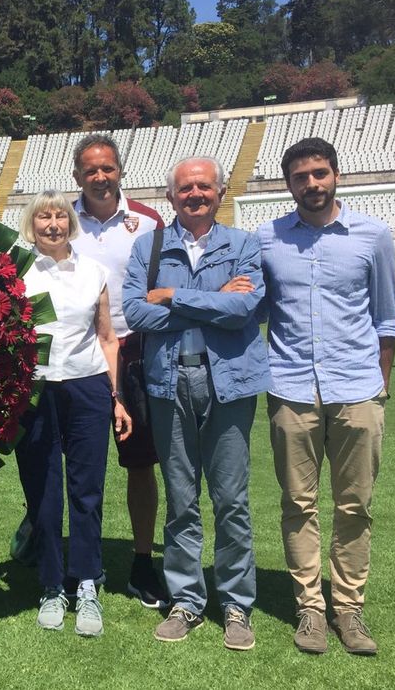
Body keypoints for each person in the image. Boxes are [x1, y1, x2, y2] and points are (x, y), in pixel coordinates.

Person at [258, 137, 395, 656]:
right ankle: (310, 610)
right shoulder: (267, 239)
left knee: (355, 504)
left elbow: (386, 319)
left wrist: (381, 384)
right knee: (298, 503)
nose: (312, 184)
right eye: (301, 177)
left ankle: (349, 608)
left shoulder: (373, 236)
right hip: (290, 387)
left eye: (320, 173)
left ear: (337, 174)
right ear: (288, 183)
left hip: (358, 388)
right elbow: (254, 309)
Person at [123, 156, 269, 651]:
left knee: (231, 499)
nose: (195, 195)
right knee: (181, 498)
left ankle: (235, 604)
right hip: (168, 383)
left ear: (220, 192)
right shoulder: (149, 246)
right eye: (185, 188)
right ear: (171, 197)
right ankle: (186, 599)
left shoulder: (244, 244)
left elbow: (245, 308)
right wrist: (207, 300)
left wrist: (173, 297)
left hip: (227, 382)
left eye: (204, 187)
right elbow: (134, 312)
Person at [16, 190, 132, 637]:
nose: (52, 224)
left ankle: (86, 582)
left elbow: (107, 338)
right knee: (43, 488)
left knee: (87, 490)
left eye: (60, 216)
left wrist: (116, 396)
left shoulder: (94, 271)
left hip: (86, 387)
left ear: (71, 222)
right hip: (36, 387)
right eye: (43, 216)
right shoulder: (18, 272)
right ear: (32, 224)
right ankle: (50, 583)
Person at [69, 133, 168, 607]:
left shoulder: (147, 222)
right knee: (69, 460)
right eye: (91, 170)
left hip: (134, 350)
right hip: (75, 354)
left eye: (107, 168)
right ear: (77, 176)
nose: (100, 176)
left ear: (120, 171)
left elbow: (165, 284)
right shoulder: (60, 219)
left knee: (140, 462)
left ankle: (143, 561)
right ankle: (60, 547)